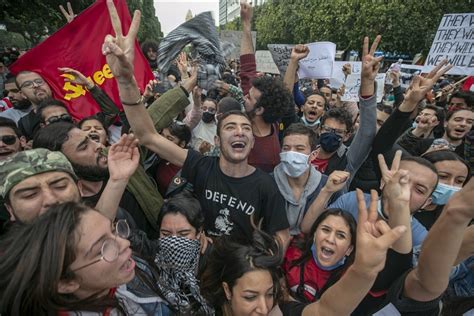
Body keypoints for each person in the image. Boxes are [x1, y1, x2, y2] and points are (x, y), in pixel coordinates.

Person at [102, 1, 290, 247]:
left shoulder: (267, 186)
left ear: (253, 141)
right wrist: (125, 80)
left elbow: (281, 236)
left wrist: (256, 263)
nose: (239, 132)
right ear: (216, 139)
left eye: (245, 128)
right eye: (230, 127)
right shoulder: (201, 166)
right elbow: (147, 135)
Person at [200, 185, 407, 316]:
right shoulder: (200, 308)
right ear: (228, 291)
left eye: (270, 294)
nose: (264, 309)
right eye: (250, 297)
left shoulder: (280, 311)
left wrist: (363, 270)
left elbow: (327, 310)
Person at [0, 202, 171, 315]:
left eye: (113, 230)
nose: (125, 243)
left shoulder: (123, 274)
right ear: (66, 283)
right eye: (103, 248)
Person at [239, 2, 294, 172]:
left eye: (249, 97)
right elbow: (248, 67)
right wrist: (247, 25)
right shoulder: (273, 120)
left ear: (260, 110)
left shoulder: (267, 157)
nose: (244, 96)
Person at [274, 123, 346, 236]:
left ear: (314, 154)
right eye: (286, 148)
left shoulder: (329, 186)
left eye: (299, 149)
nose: (291, 154)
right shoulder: (267, 182)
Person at [414, 150, 470, 230]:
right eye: (443, 176)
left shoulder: (453, 217)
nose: (450, 185)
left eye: (459, 181)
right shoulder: (399, 203)